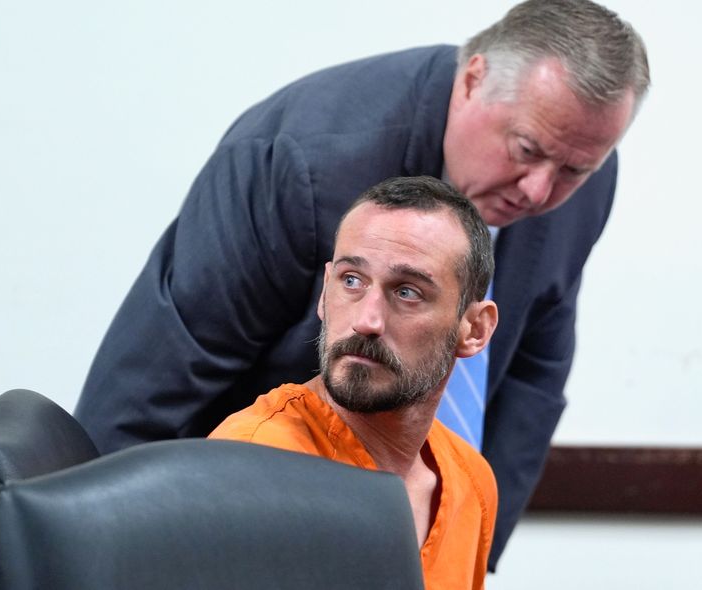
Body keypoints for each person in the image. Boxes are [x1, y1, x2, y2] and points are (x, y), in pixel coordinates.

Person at [75, 0, 650, 570]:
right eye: (526, 149)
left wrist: (462, 550)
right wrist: (90, 547)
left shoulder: (583, 179)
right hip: (235, 528)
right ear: (474, 80)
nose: (538, 191)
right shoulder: (302, 158)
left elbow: (533, 374)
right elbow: (158, 376)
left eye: (575, 169)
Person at [210, 176, 499, 589]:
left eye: (408, 292)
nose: (366, 320)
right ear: (324, 293)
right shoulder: (255, 462)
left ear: (474, 329)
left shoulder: (471, 481)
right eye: (351, 280)